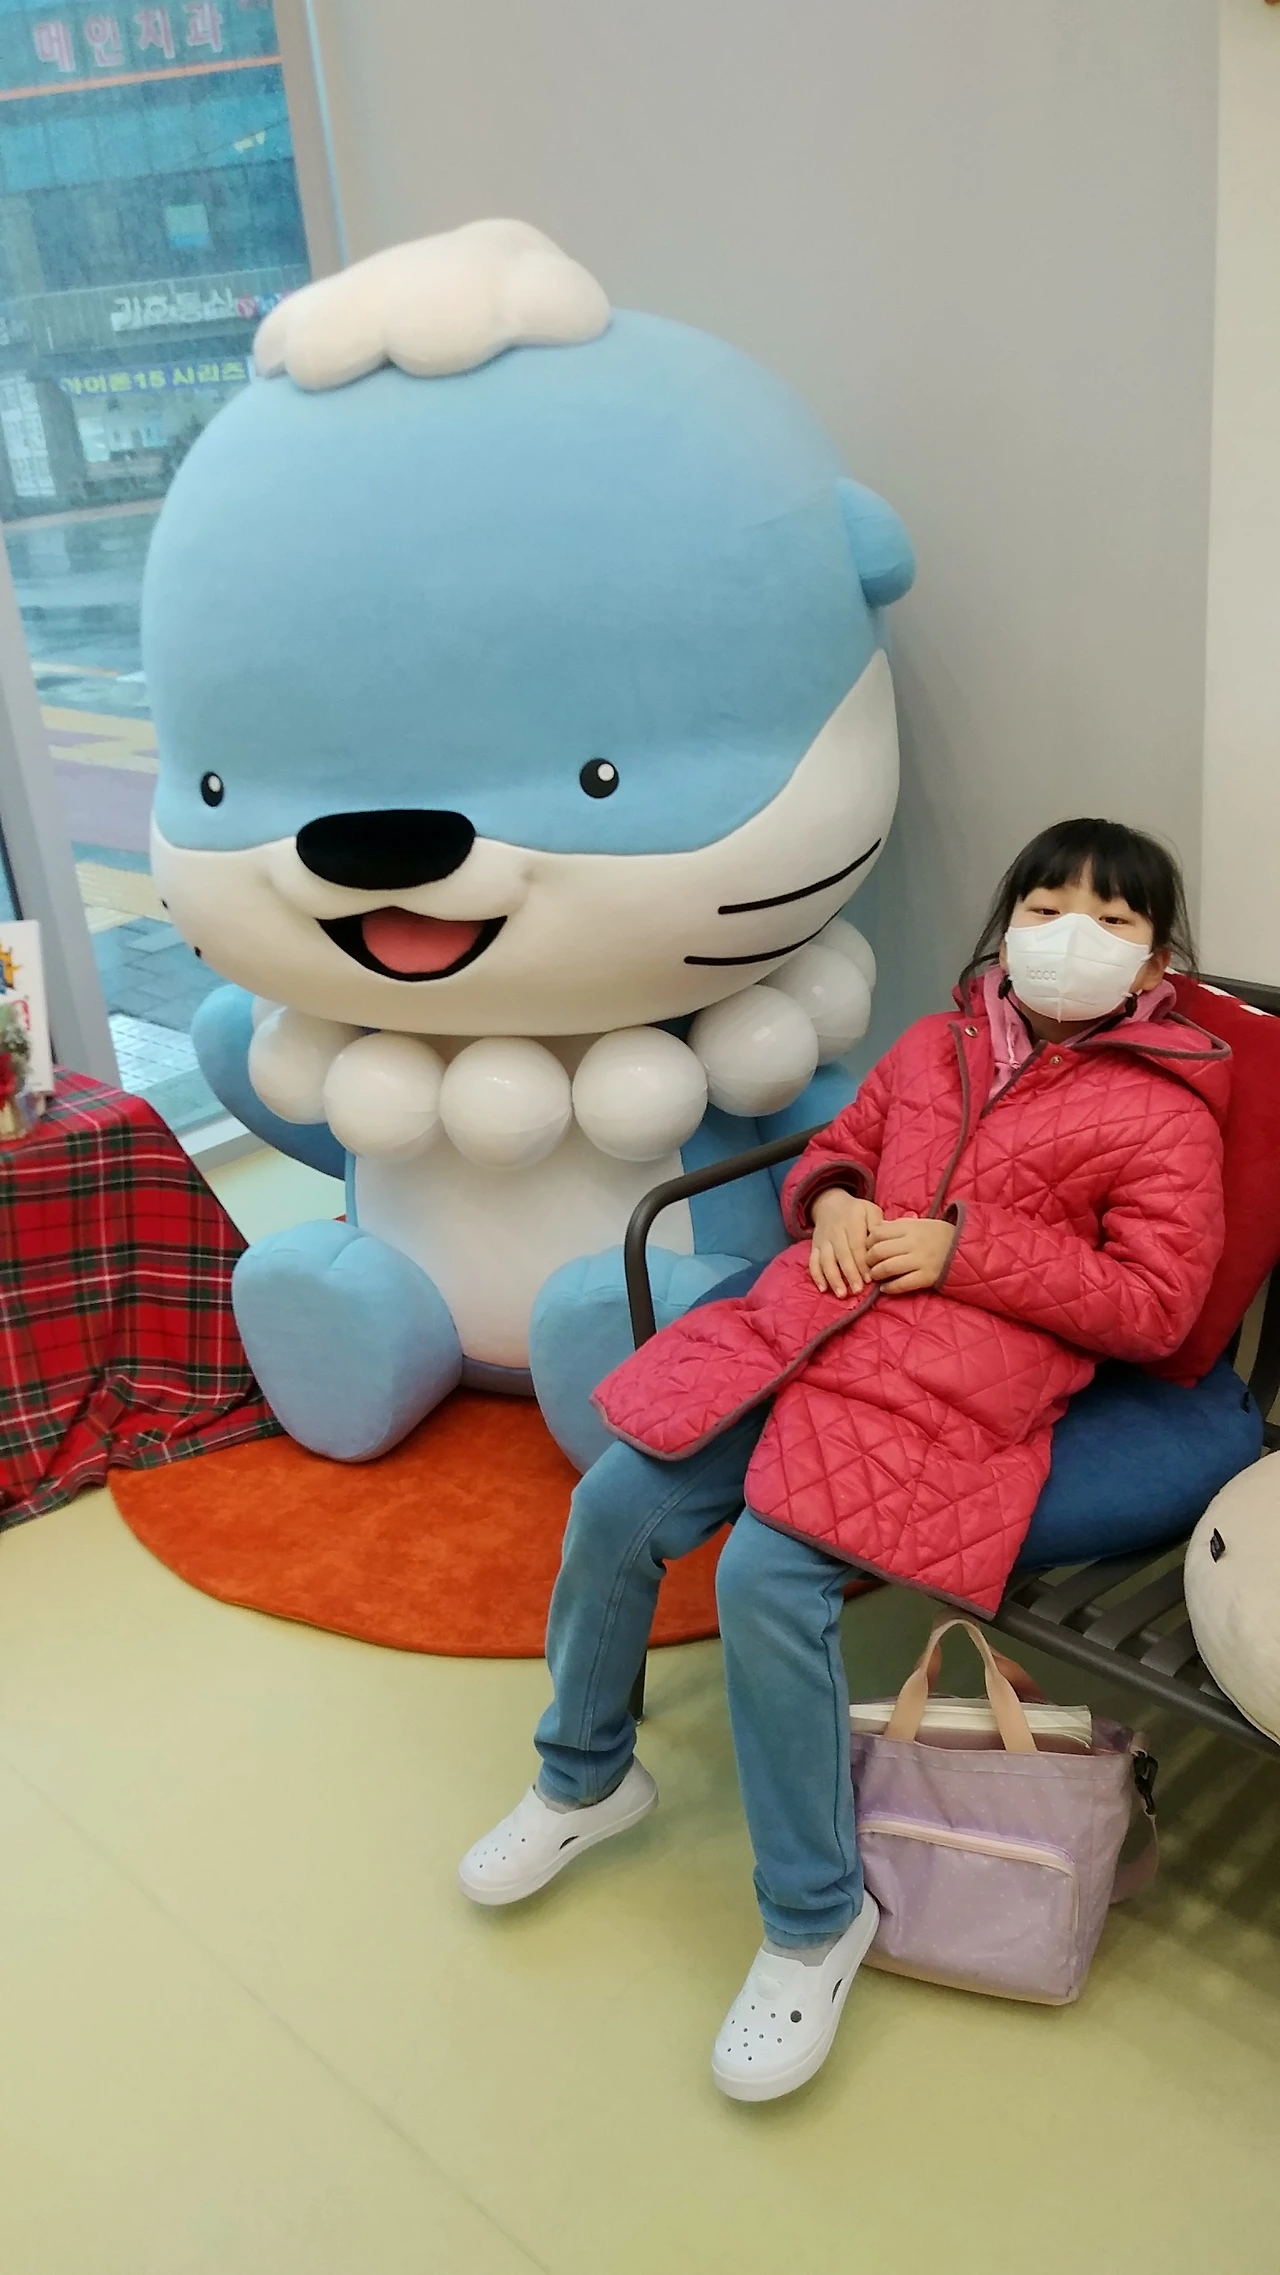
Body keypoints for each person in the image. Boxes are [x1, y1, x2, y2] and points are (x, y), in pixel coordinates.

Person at [458, 818, 1229, 2101]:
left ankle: (815, 1920)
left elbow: (1153, 1306)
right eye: (1046, 908)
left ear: (1155, 963)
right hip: (811, 1318)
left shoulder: (1162, 1115)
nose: (1070, 938)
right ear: (1007, 923)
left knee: (765, 1574)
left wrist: (963, 1249)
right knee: (616, 1499)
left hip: (953, 1381)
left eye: (1110, 921)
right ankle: (584, 1777)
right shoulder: (934, 1044)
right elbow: (840, 1147)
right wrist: (830, 1201)